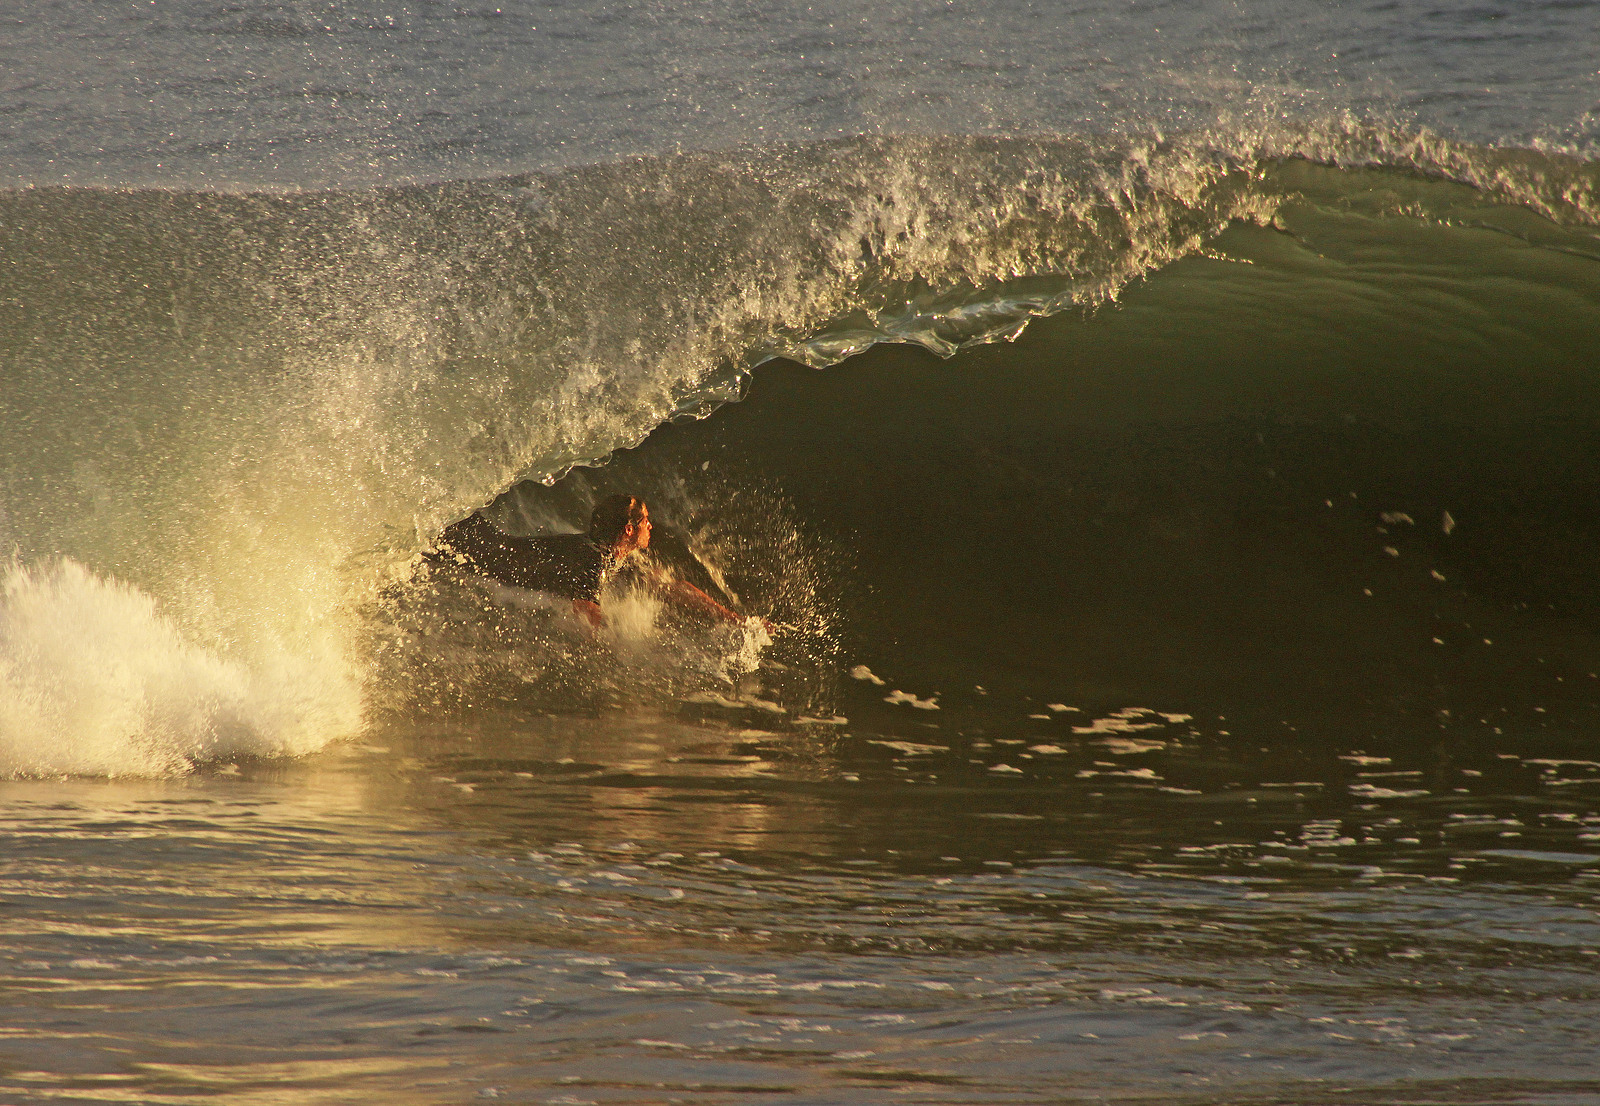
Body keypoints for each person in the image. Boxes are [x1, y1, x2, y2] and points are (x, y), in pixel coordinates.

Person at [428, 494, 749, 630]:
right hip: (473, 549)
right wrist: (609, 653)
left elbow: (671, 588)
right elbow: (586, 608)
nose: (650, 526)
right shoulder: (593, 560)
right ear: (628, 530)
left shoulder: (618, 556)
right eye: (645, 521)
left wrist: (732, 618)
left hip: (480, 540)